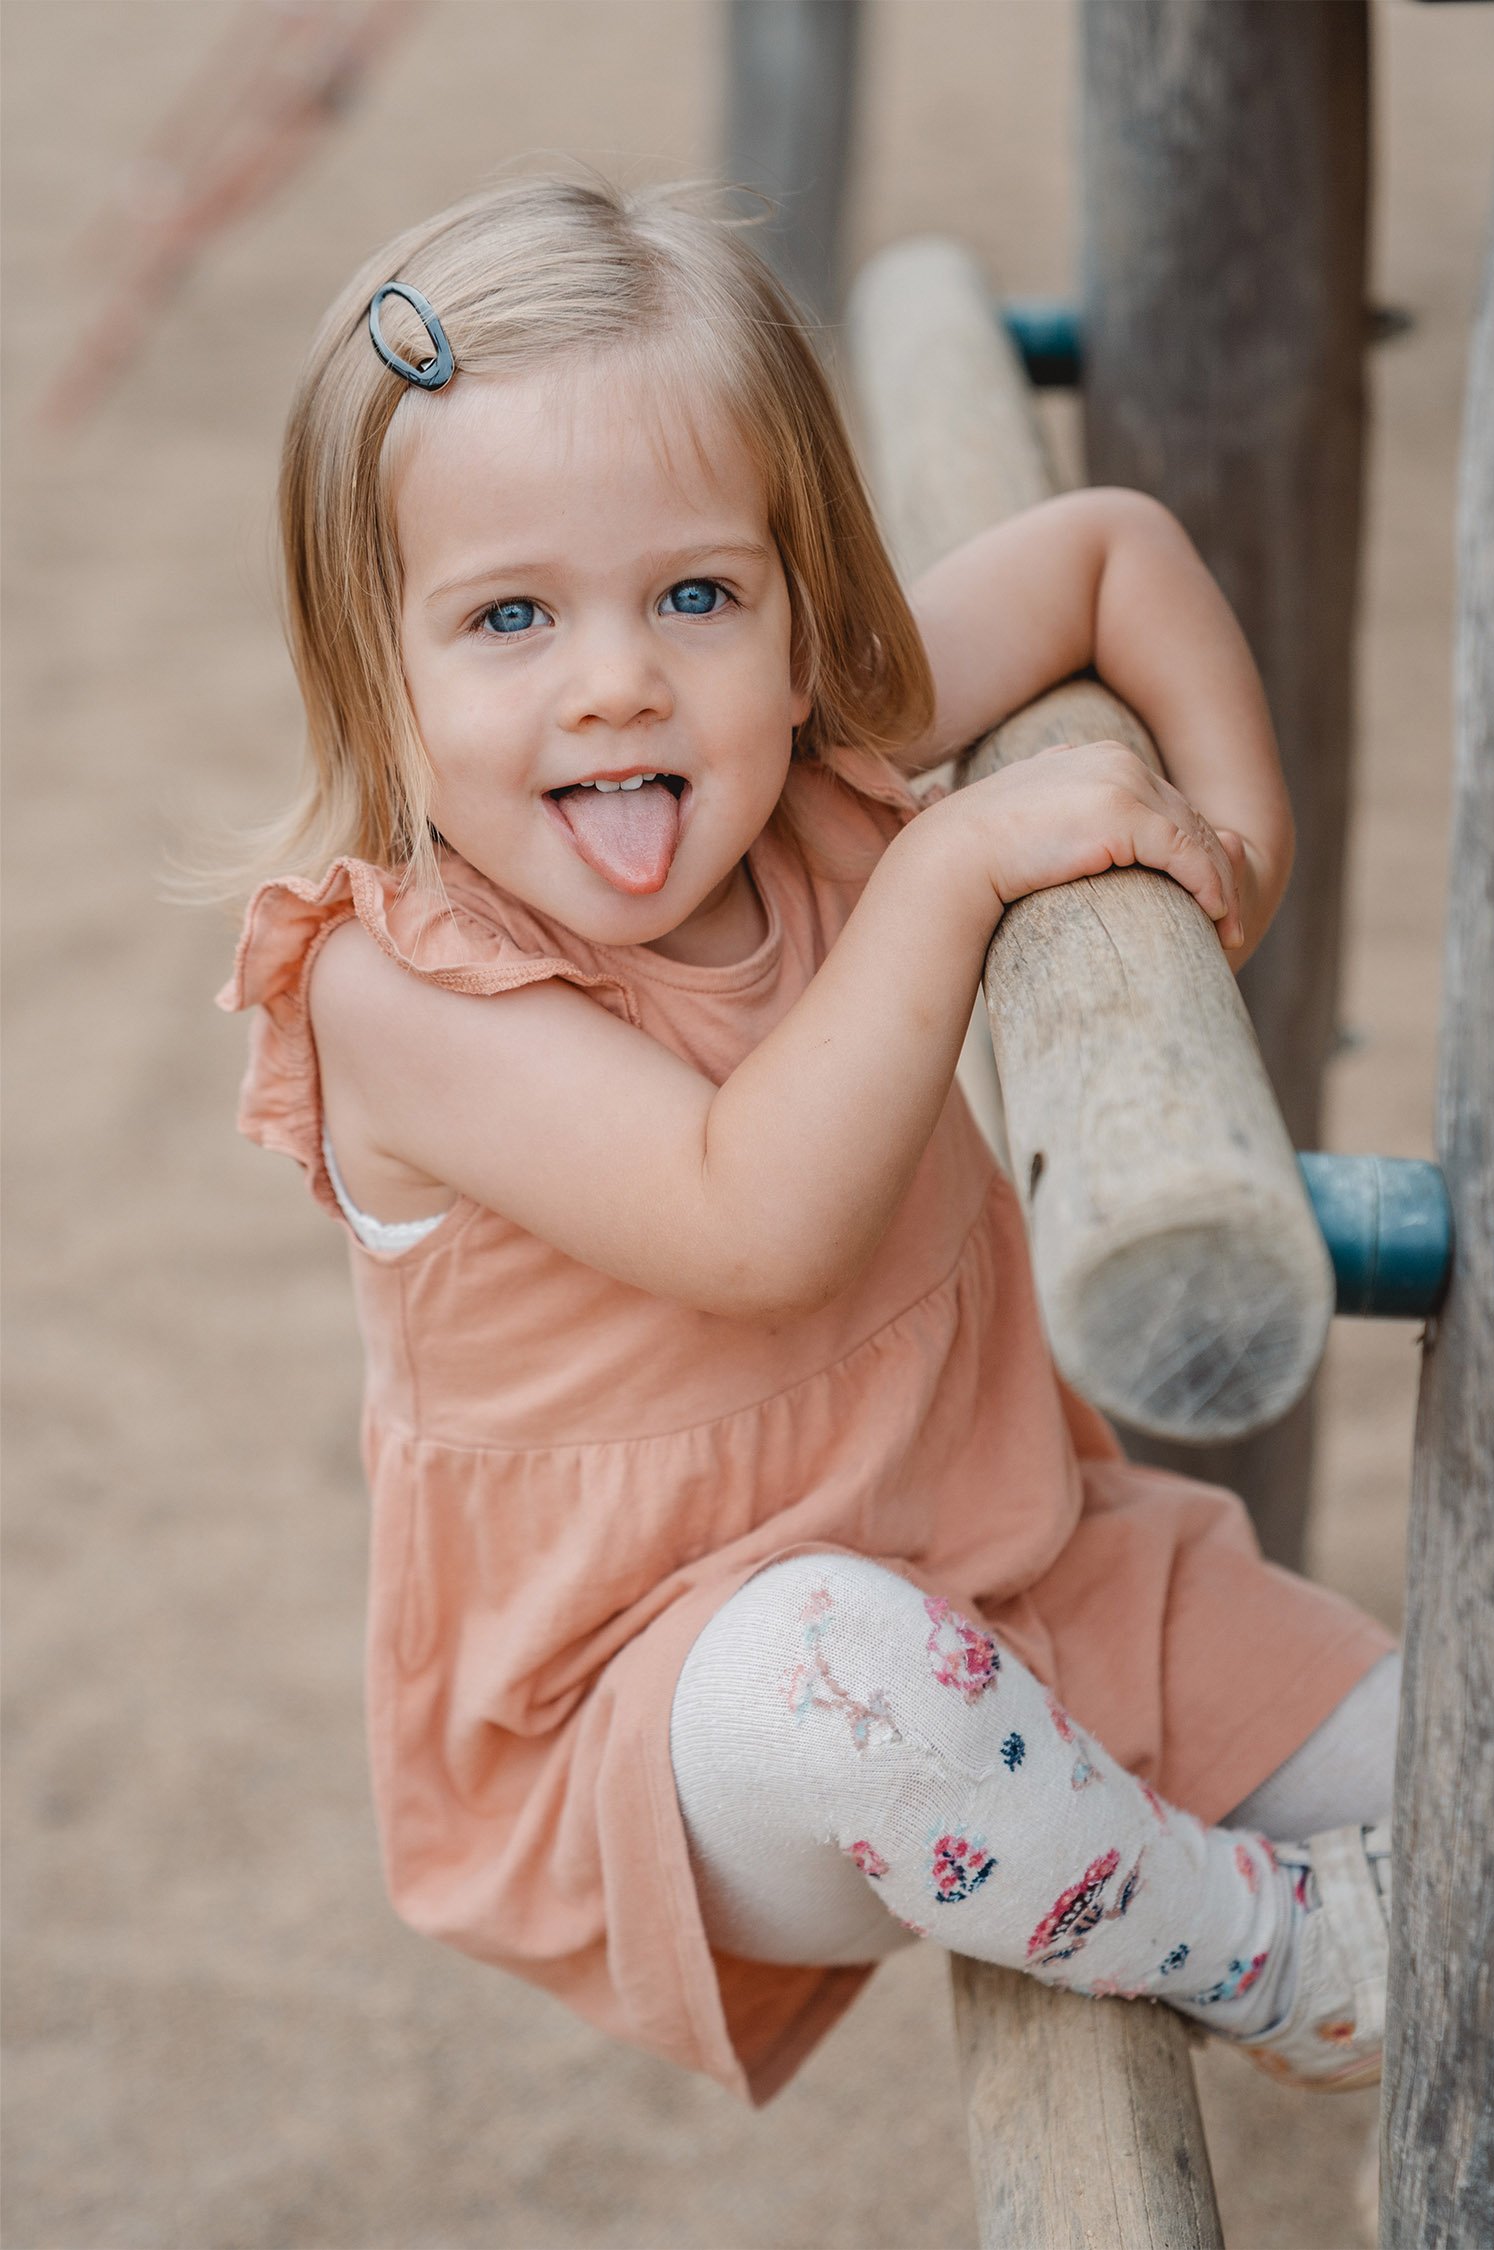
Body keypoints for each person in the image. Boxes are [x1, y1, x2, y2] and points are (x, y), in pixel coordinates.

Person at [220, 176, 1398, 2106]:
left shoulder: (797, 741)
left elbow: (1113, 555)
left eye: (697, 592)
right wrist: (951, 864)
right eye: (509, 615)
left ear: (790, 601)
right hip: (678, 1722)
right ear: (379, 666)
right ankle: (1279, 1949)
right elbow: (750, 1216)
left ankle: (1268, 1888)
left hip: (1038, 1561)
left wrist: (1236, 862)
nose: (620, 677)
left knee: (1453, 1771)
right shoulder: (391, 996)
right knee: (828, 1665)